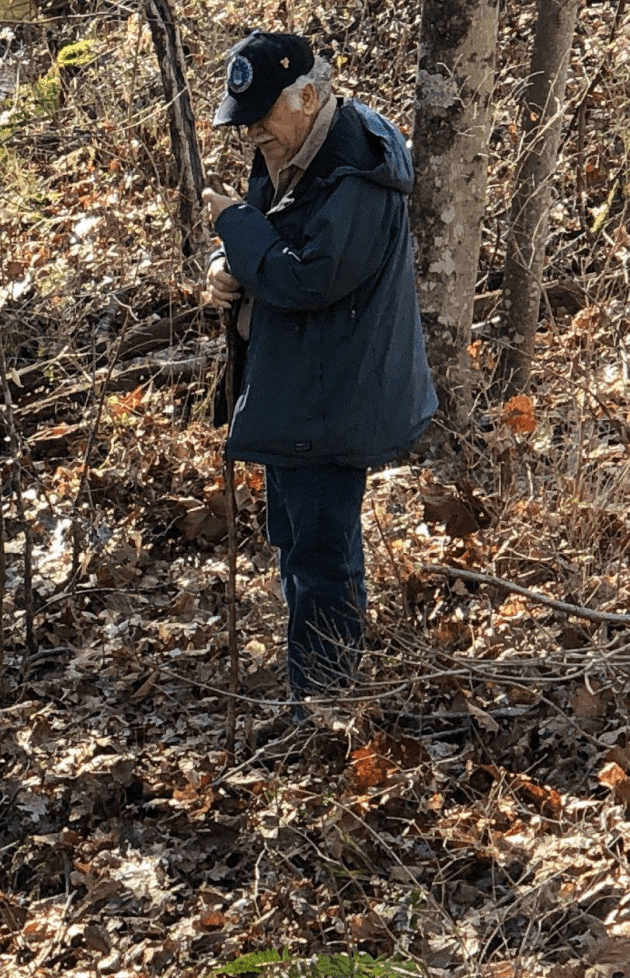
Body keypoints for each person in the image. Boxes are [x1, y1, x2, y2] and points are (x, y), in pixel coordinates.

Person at [200, 31, 436, 703]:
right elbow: (274, 238)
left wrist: (234, 229)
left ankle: (324, 704)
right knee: (293, 539)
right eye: (241, 120)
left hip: (331, 396)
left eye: (260, 116)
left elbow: (307, 279)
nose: (250, 135)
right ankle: (313, 688)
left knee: (321, 556)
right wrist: (224, 269)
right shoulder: (289, 146)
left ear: (306, 97)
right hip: (294, 387)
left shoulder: (354, 172)